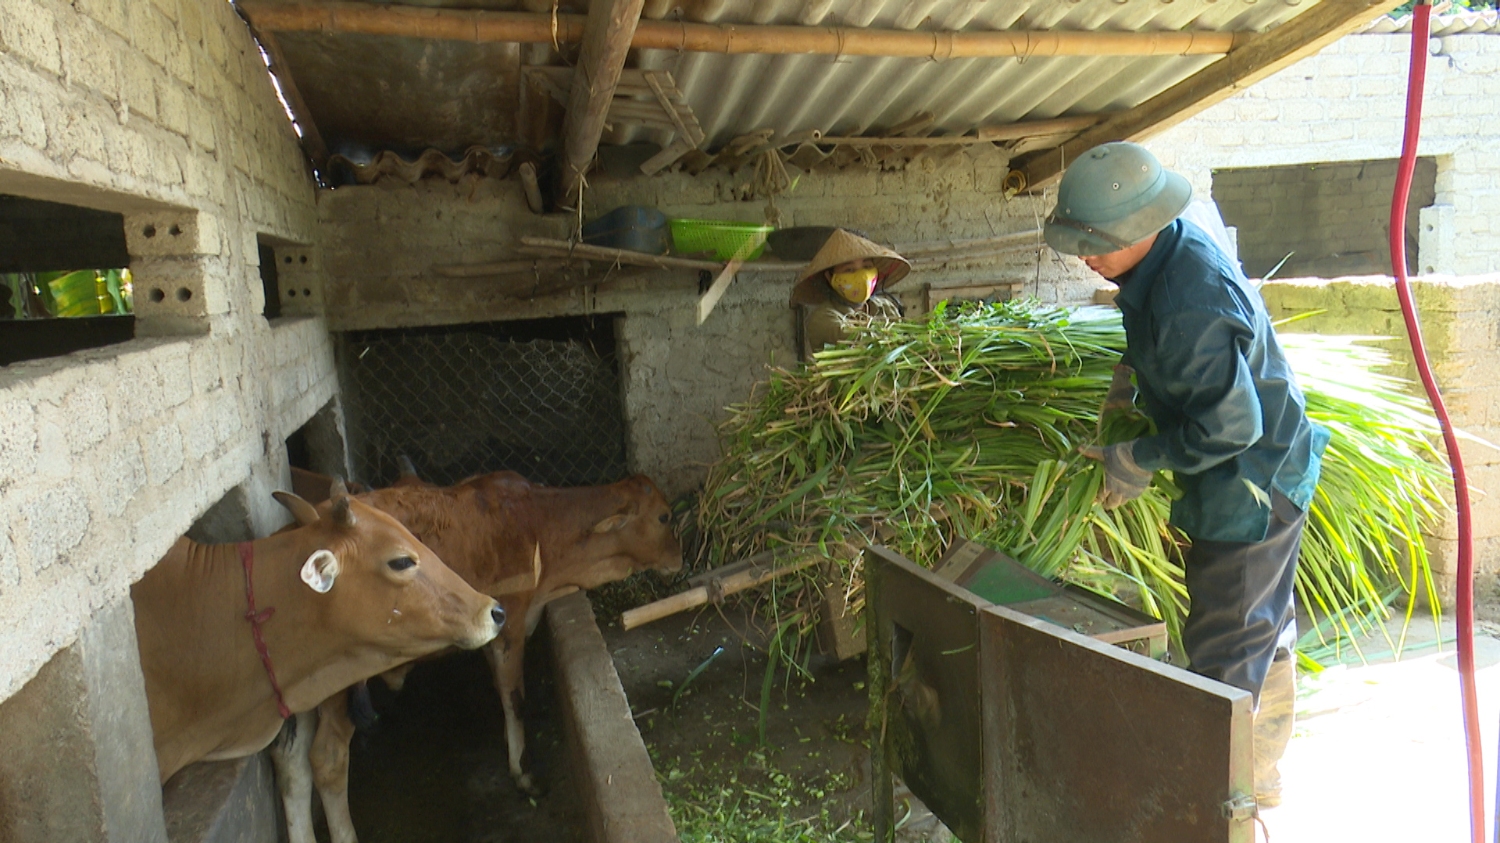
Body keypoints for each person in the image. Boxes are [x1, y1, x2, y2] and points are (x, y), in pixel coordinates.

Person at [1045, 142, 1329, 809]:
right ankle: (1258, 772)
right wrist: (1126, 385)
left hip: (1253, 487)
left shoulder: (1186, 302)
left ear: (1141, 227)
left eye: (1097, 241)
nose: (1084, 255)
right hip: (1258, 465)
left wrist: (1136, 458)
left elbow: (1233, 427)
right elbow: (1154, 340)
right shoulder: (1167, 252)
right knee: (1264, 623)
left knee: (1224, 650)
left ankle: (1221, 803)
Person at [789, 229, 910, 359]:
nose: (862, 276)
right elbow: (864, 343)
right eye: (849, 269)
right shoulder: (823, 319)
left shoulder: (885, 307)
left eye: (867, 267)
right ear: (830, 277)